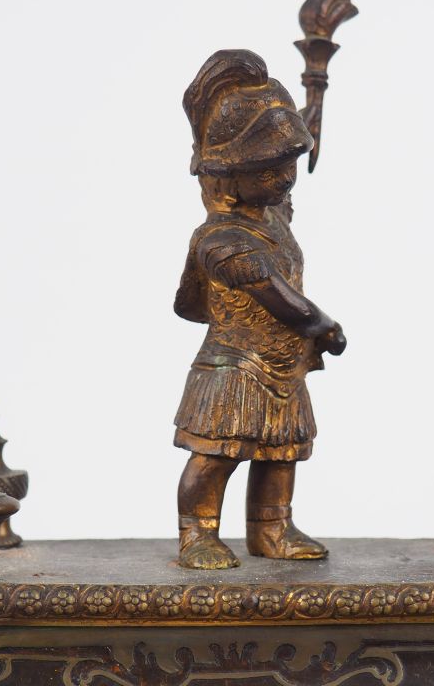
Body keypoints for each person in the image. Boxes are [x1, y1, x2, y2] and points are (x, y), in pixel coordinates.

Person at [173, 49, 346, 570]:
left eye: (287, 166)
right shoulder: (223, 241)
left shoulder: (272, 213)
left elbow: (307, 143)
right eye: (270, 170)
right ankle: (197, 533)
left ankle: (272, 528)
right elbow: (280, 298)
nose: (286, 177)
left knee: (281, 451)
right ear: (231, 174)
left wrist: (316, 76)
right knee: (217, 453)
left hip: (284, 365)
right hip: (234, 367)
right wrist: (324, 325)